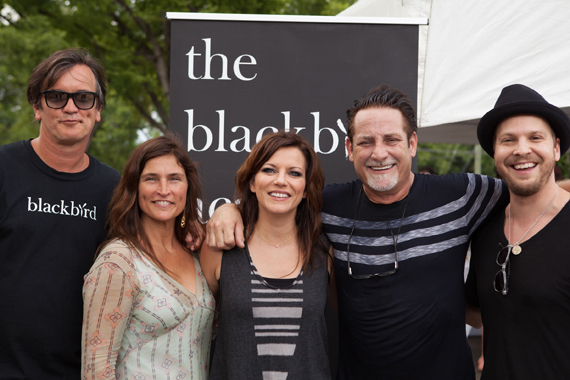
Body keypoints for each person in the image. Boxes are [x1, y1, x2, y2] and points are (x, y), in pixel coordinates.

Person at [205, 84, 511, 379]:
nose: (379, 153)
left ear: (412, 144)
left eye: (392, 139)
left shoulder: (462, 194)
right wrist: (230, 209)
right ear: (350, 148)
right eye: (366, 142)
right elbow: (277, 198)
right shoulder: (326, 206)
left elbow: (532, 193)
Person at [0, 48, 120, 379]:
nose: (70, 107)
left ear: (98, 111)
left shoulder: (115, 189)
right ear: (37, 107)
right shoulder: (4, 168)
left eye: (83, 98)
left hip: (80, 372)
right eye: (56, 96)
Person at [200, 131, 334, 379]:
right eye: (269, 170)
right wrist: (228, 208)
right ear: (252, 182)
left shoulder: (325, 253)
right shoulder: (220, 248)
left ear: (305, 189)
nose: (281, 181)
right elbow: (196, 330)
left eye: (294, 173)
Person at [81, 135, 214, 379]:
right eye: (151, 179)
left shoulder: (197, 254)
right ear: (134, 187)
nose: (164, 190)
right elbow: (96, 370)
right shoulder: (118, 261)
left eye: (174, 179)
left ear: (187, 187)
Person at [466, 84, 570, 379]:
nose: (522, 149)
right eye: (508, 140)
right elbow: (479, 312)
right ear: (495, 153)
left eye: (535, 137)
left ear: (556, 148)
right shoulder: (484, 228)